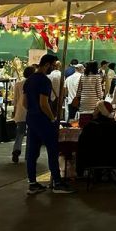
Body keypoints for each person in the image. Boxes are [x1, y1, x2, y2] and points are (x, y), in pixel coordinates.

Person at [24, 54, 73, 194]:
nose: (54, 68)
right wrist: (52, 118)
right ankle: (57, 183)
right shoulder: (44, 81)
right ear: (47, 65)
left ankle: (32, 183)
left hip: (31, 119)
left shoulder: (29, 80)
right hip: (43, 121)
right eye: (53, 65)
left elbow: (24, 103)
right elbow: (43, 103)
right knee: (52, 150)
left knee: (32, 153)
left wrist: (33, 111)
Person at [11, 65, 35, 164]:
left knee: (20, 133)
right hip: (32, 112)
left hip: (20, 112)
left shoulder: (18, 84)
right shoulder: (34, 84)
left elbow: (15, 100)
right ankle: (28, 155)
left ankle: (16, 150)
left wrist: (15, 112)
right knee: (31, 134)